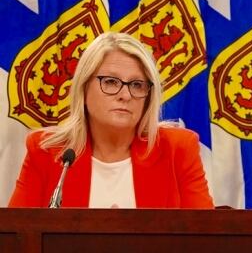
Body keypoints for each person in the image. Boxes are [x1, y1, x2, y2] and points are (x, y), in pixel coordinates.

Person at [8, 32, 214, 208]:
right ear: (84, 88)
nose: (125, 95)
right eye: (110, 82)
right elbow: (15, 240)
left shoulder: (177, 150)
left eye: (136, 85)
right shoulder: (46, 153)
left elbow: (207, 239)